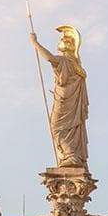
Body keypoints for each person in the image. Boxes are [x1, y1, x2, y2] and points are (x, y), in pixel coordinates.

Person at [31, 25, 89, 168]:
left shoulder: (65, 61)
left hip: (65, 102)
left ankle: (71, 155)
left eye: (64, 40)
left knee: (57, 127)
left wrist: (35, 43)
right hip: (67, 101)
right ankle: (72, 155)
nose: (61, 40)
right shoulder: (77, 67)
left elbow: (49, 58)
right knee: (69, 128)